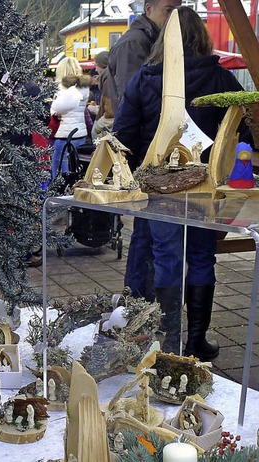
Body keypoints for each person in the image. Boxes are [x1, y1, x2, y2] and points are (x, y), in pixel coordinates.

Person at [113, 6, 252, 358]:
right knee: (203, 258)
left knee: (166, 258)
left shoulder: (145, 78)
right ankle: (195, 342)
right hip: (206, 187)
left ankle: (166, 338)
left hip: (157, 189)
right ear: (203, 37)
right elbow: (243, 131)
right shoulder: (220, 79)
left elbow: (123, 135)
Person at [108, 0, 180, 303]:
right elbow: (130, 103)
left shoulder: (148, 39)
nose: (174, 15)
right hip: (143, 156)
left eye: (178, 8)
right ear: (149, 8)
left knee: (149, 235)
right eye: (168, 8)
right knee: (144, 236)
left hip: (150, 153)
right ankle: (136, 301)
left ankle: (139, 302)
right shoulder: (135, 43)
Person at [105, 0, 181, 109]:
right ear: (149, 9)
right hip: (140, 124)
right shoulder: (132, 44)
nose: (175, 17)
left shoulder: (157, 39)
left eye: (178, 11)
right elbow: (131, 96)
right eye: (169, 10)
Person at [50, 57, 91, 179]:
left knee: (59, 173)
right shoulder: (84, 88)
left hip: (62, 134)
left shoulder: (59, 88)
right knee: (77, 168)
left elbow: (55, 110)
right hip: (80, 132)